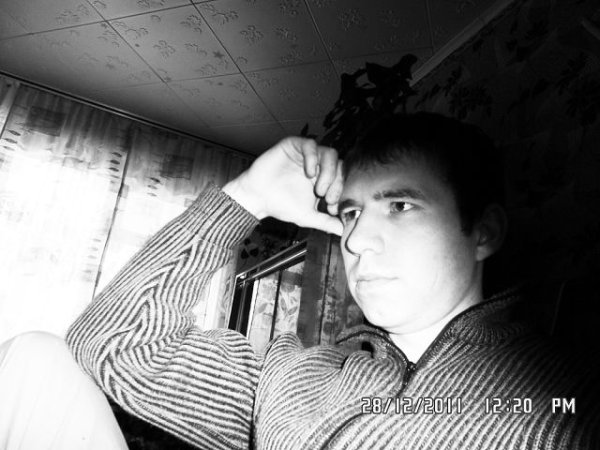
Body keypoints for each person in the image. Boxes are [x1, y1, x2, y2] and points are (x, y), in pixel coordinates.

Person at [0, 113, 598, 449]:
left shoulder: (562, 398)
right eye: (351, 214)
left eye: (400, 207)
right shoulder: (295, 372)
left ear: (483, 232)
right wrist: (246, 199)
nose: (356, 241)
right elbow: (115, 345)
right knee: (36, 358)